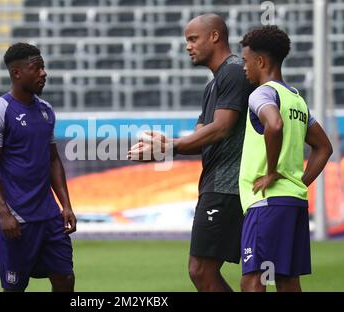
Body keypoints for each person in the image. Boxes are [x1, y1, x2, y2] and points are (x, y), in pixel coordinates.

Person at [129, 14, 254, 291]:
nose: (188, 46)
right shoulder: (213, 83)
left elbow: (221, 128)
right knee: (210, 270)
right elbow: (202, 137)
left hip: (227, 186)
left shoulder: (234, 71)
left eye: (193, 39)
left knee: (201, 270)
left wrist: (169, 146)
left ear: (215, 36)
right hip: (217, 184)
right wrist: (167, 146)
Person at [239, 25, 332, 292]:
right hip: (293, 202)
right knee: (288, 280)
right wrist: (299, 183)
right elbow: (324, 148)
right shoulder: (297, 99)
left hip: (265, 203)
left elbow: (274, 125)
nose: (244, 68)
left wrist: (270, 172)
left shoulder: (262, 93)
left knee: (253, 279)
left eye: (246, 61)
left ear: (260, 61)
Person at [0, 43, 77, 292]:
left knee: (65, 278)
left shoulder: (46, 111)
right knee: (15, 287)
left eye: (43, 67)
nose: (43, 73)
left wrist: (65, 204)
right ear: (17, 73)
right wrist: (3, 213)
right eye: (36, 68)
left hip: (49, 216)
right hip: (17, 218)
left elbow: (53, 160)